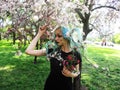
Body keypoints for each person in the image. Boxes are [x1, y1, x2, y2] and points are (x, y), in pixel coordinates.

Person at [25, 25, 82, 90]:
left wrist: (71, 75)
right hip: (50, 86)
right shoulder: (52, 50)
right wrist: (39, 33)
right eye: (55, 36)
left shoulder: (75, 54)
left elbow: (77, 72)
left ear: (67, 37)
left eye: (59, 36)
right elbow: (28, 51)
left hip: (66, 87)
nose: (56, 39)